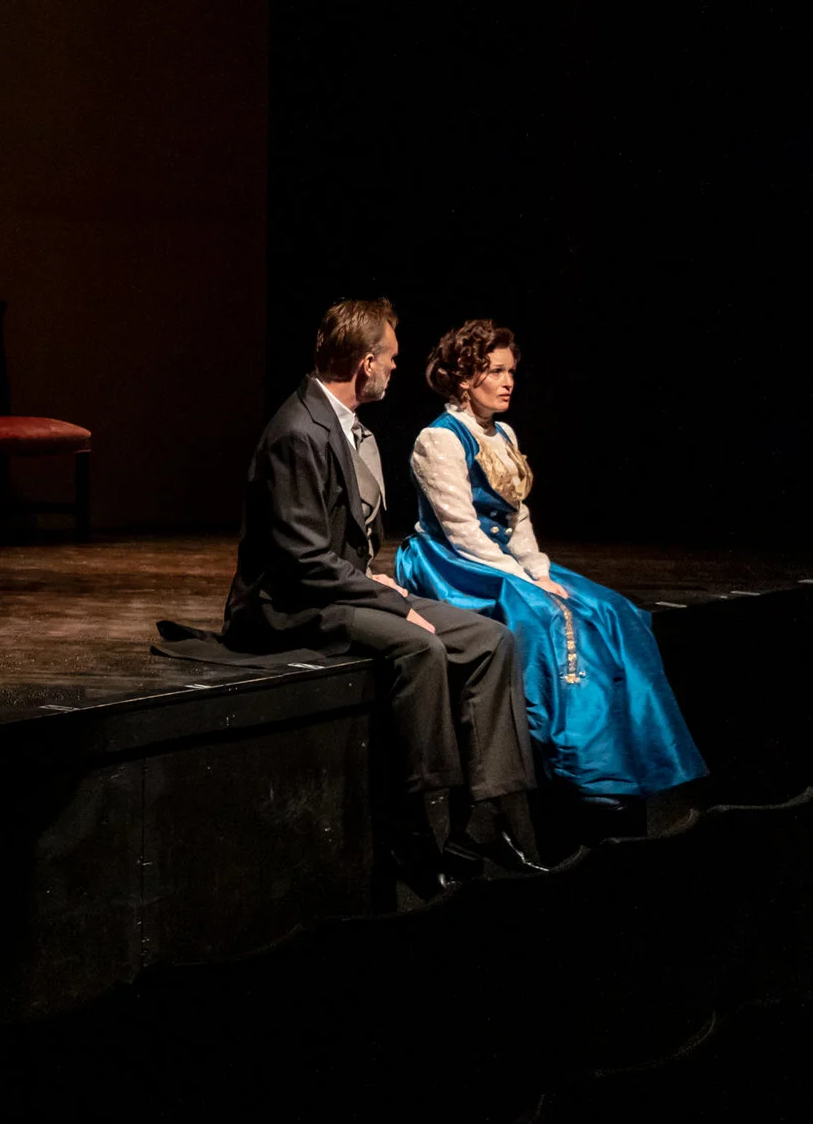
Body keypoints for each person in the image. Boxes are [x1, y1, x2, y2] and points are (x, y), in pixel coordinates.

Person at [224, 298, 545, 890]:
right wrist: (392, 604)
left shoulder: (345, 424)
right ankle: (419, 825)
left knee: (490, 640)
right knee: (420, 648)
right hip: (289, 605)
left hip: (340, 587)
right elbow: (302, 561)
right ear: (366, 363)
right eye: (391, 357)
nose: (397, 367)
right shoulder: (298, 431)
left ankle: (490, 819)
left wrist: (375, 583)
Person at [394, 321, 705, 802]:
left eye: (511, 371)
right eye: (496, 372)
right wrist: (527, 582)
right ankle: (580, 770)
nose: (508, 382)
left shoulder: (504, 432)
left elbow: (517, 516)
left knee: (613, 611)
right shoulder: (439, 440)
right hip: (453, 562)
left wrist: (538, 570)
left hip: (502, 559)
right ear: (465, 379)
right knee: (551, 619)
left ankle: (643, 760)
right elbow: (462, 531)